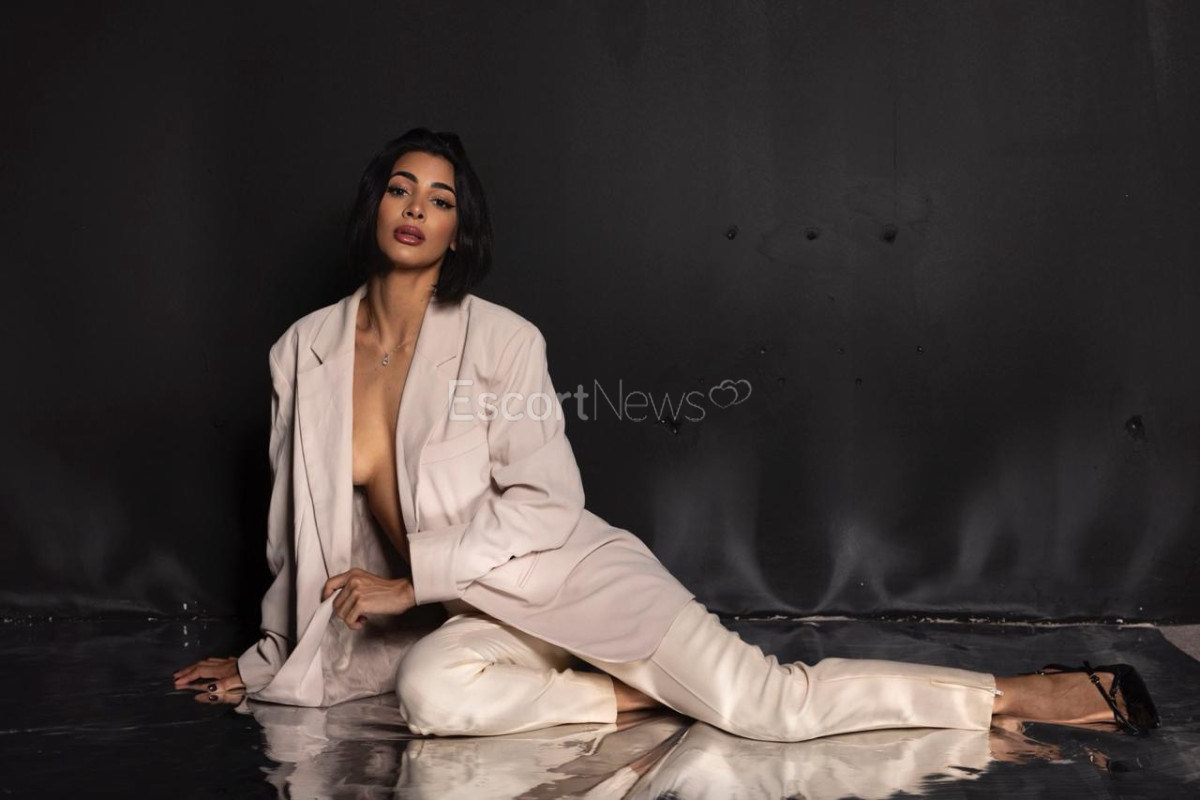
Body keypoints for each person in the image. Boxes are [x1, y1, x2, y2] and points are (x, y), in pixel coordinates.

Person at [173, 128, 1159, 741]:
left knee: (770, 707)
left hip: (563, 583)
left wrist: (411, 575)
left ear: (459, 230)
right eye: (401, 187)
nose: (416, 208)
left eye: (440, 198)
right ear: (375, 204)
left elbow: (547, 503)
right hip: (459, 629)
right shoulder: (303, 351)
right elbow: (292, 538)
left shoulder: (502, 340)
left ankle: (1019, 693)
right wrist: (268, 655)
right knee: (431, 700)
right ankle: (640, 699)